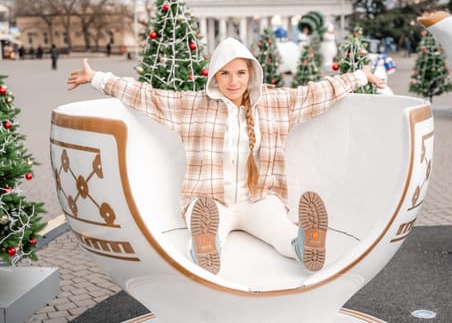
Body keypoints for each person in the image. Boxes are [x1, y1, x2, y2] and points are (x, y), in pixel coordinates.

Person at [66, 37, 385, 275]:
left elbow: (317, 92)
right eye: (226, 74)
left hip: (259, 197)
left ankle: (305, 243)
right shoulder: (192, 106)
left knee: (280, 233)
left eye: (240, 73)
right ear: (214, 76)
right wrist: (97, 78)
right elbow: (144, 96)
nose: (234, 82)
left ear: (251, 74)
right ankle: (205, 245)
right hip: (209, 197)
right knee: (208, 227)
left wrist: (360, 77)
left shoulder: (275, 103)